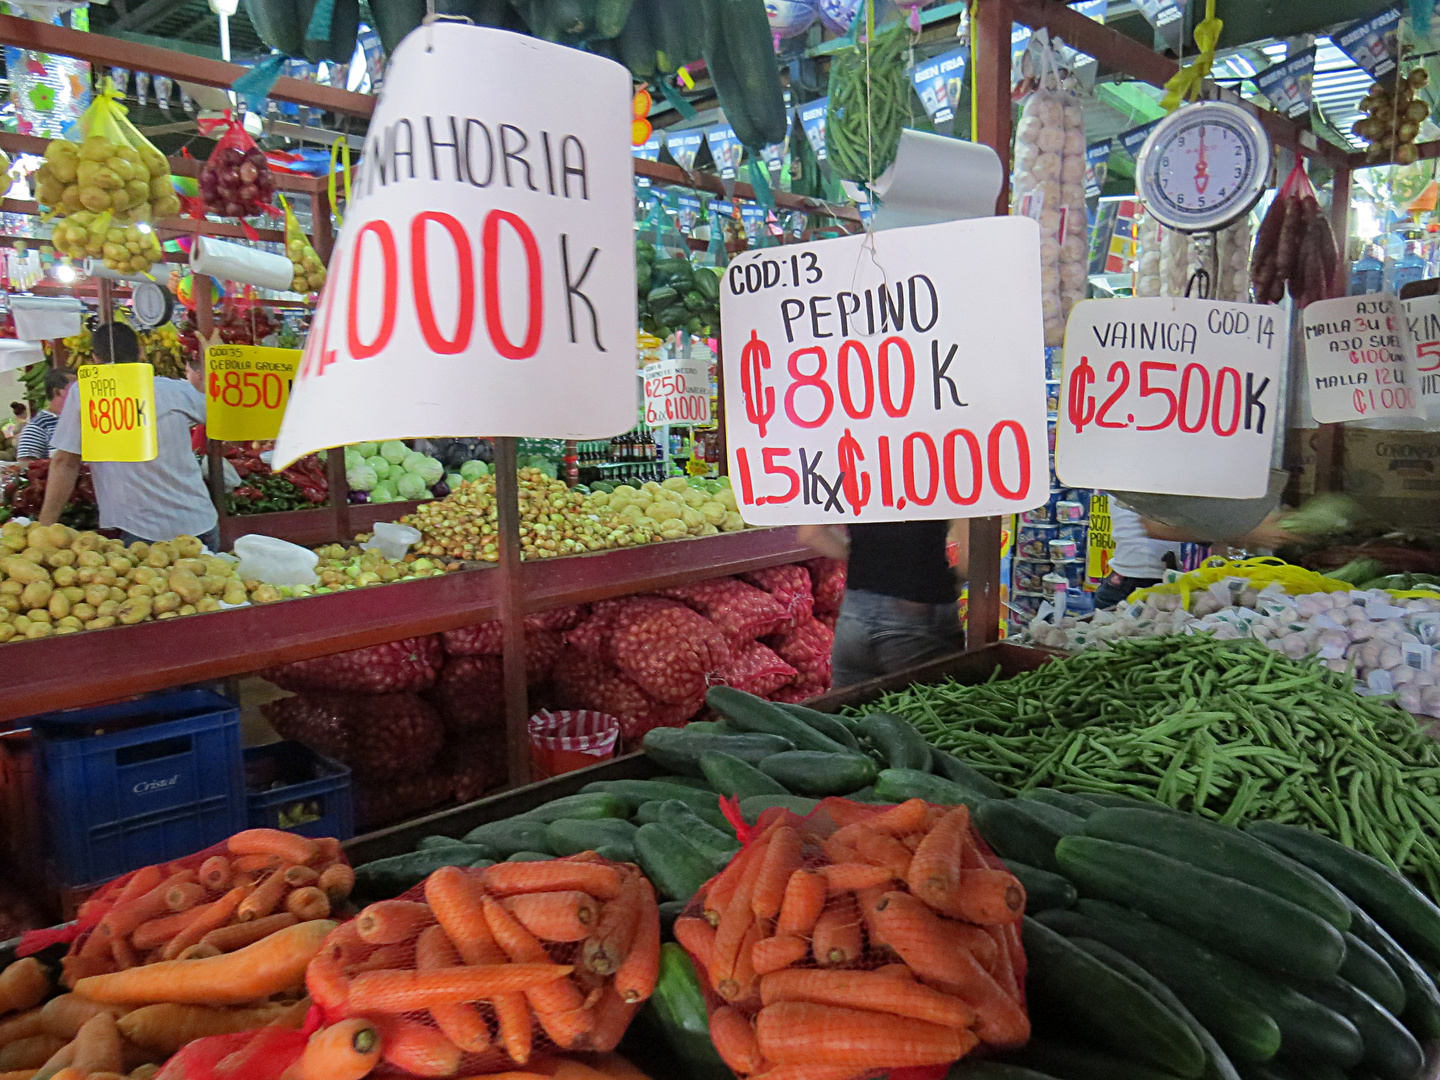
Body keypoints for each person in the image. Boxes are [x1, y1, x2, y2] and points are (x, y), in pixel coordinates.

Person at [38, 322, 219, 550]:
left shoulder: (85, 392)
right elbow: (221, 412)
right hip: (198, 522)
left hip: (142, 533)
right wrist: (215, 364)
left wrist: (44, 526)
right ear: (141, 352)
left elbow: (65, 461)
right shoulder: (176, 390)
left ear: (95, 358)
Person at [799, 520, 968, 688]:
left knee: (849, 712)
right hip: (918, 614)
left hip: (854, 619)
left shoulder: (854, 490)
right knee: (930, 708)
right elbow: (973, 555)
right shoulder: (952, 492)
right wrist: (953, 583)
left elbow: (811, 533)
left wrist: (866, 559)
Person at [1095, 501, 1295, 609]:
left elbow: (1199, 515)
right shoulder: (1148, 456)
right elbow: (1156, 525)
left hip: (1186, 583)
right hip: (1139, 586)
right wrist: (1245, 533)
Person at [15, 368, 75, 460]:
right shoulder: (38, 426)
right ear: (57, 392)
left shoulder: (85, 419)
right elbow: (26, 465)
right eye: (75, 388)